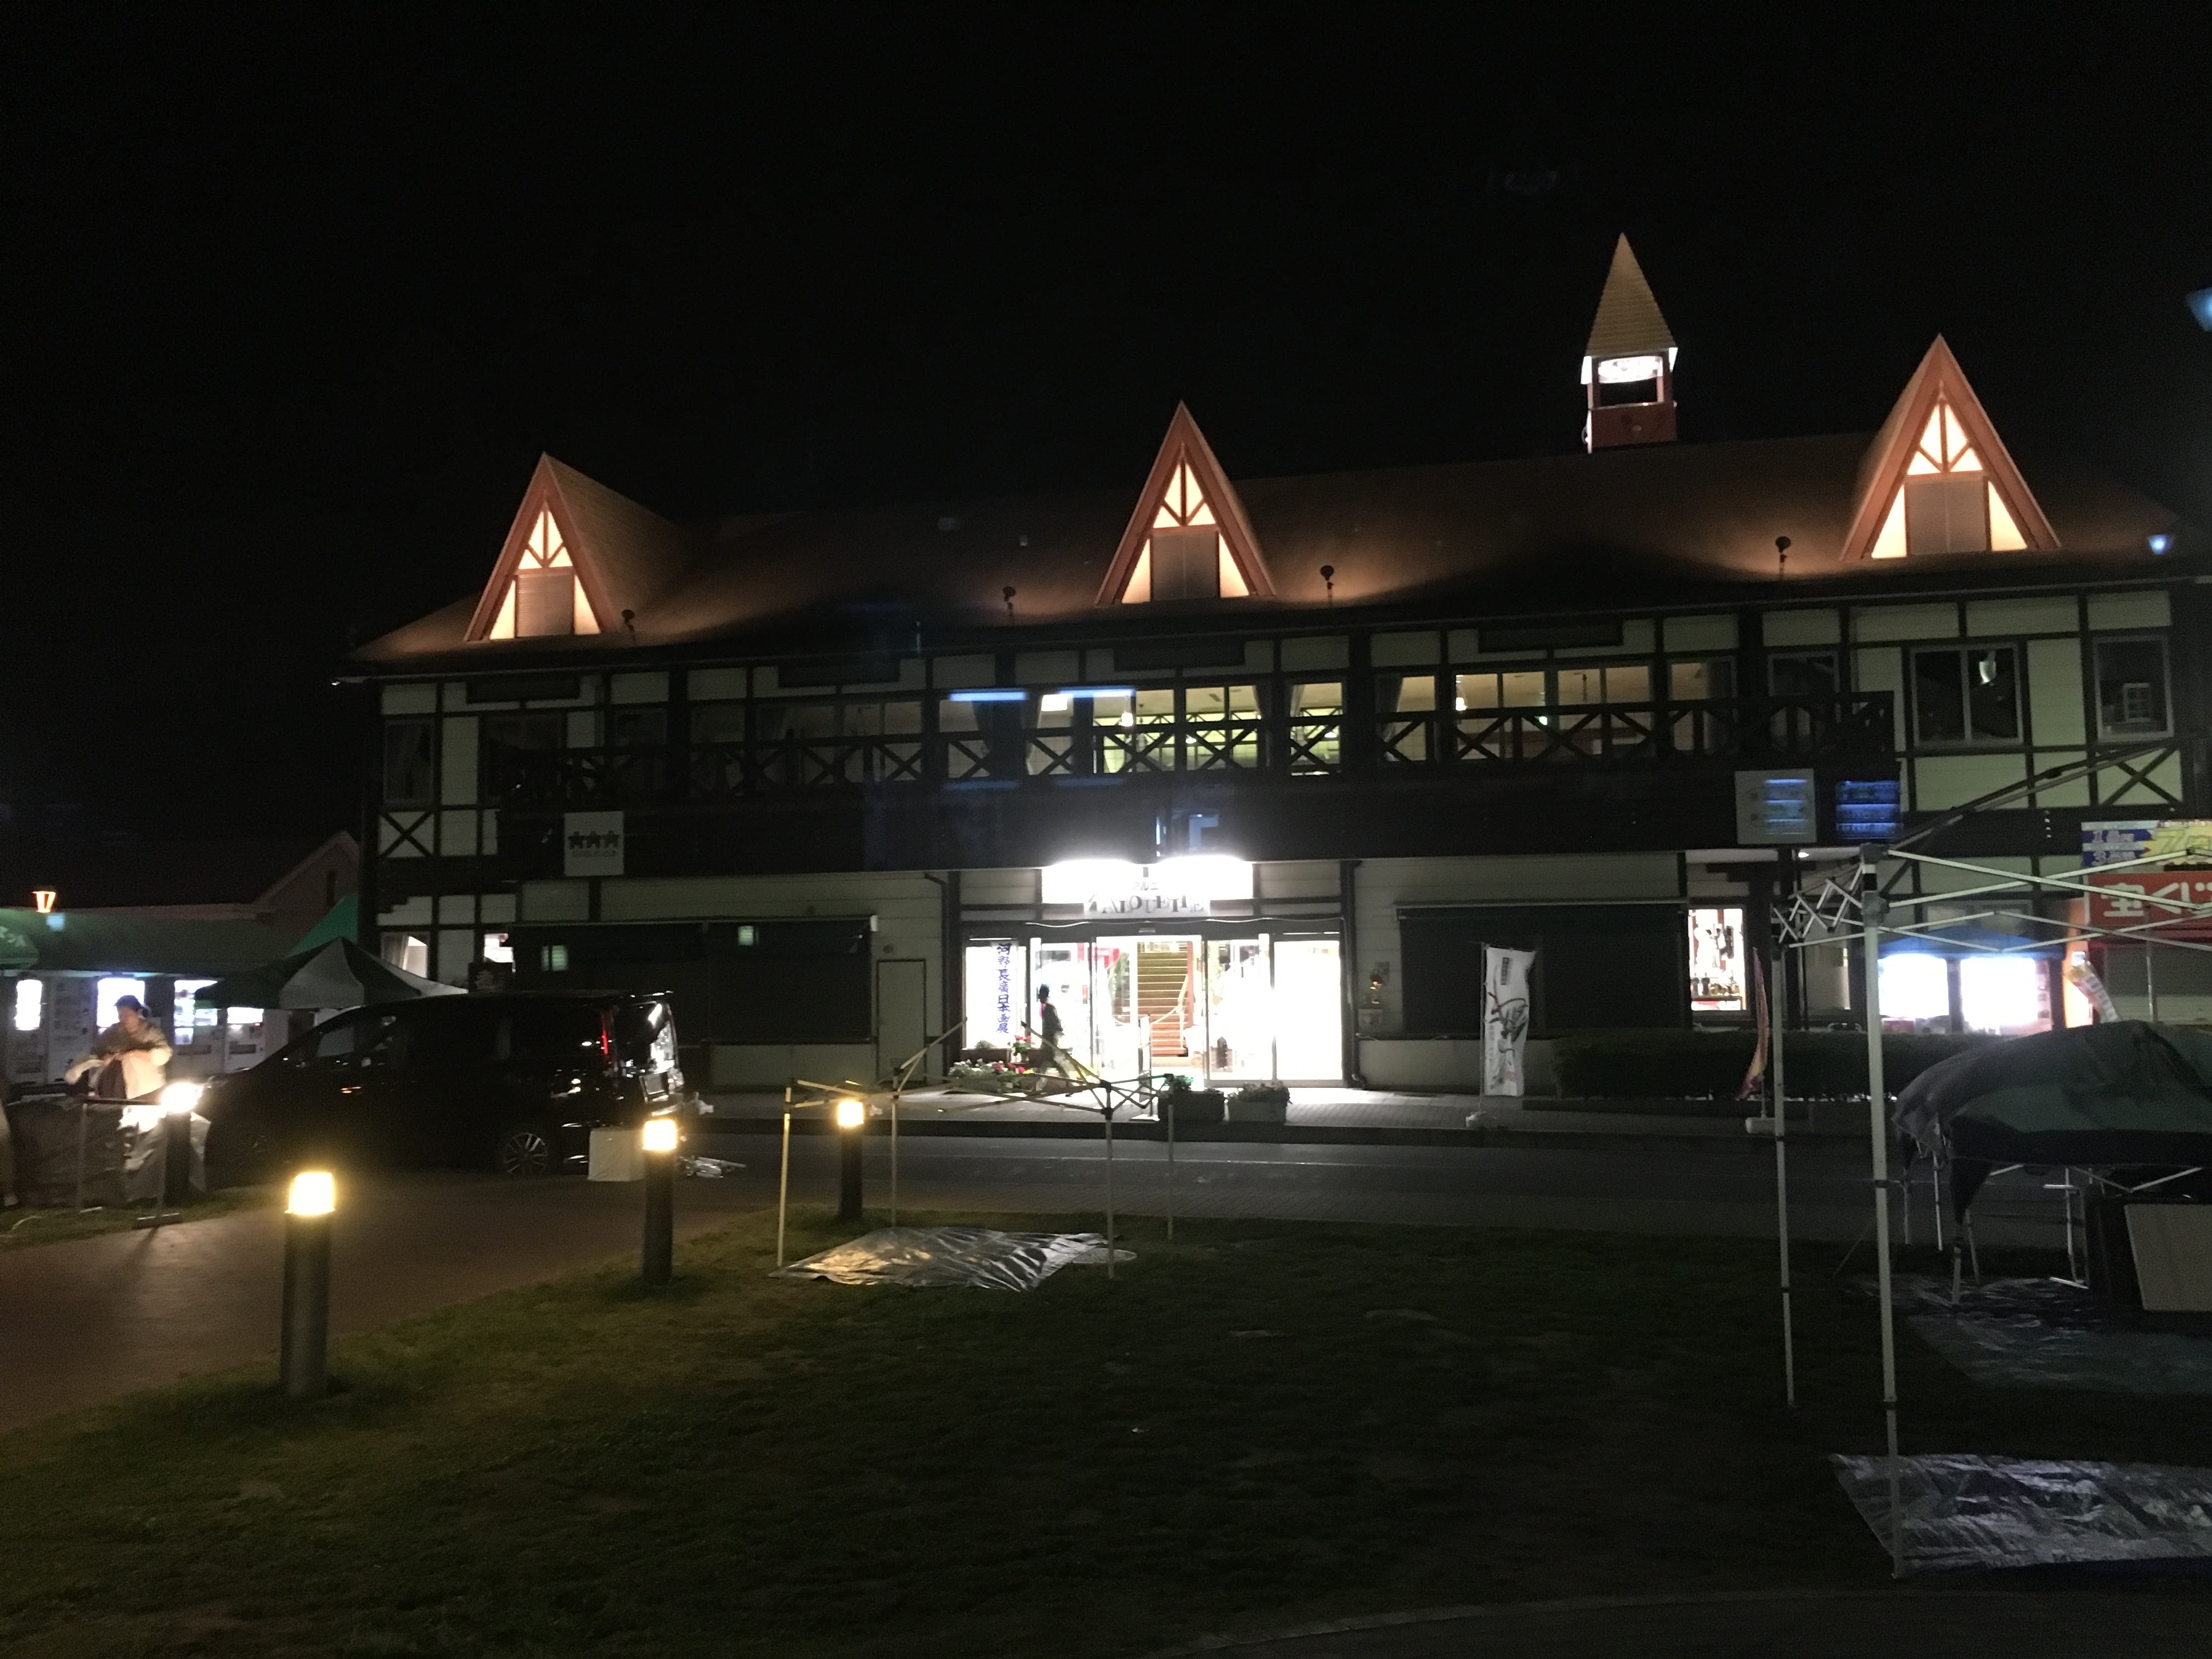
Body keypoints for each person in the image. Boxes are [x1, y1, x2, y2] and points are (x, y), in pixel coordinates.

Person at [64, 995, 173, 1102]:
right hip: (114, 1085)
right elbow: (96, 1049)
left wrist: (133, 1053)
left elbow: (163, 1055)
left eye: (127, 1015)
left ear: (138, 1013)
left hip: (145, 1087)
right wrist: (102, 1058)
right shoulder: (114, 1031)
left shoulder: (151, 1032)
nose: (124, 1019)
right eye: (121, 1015)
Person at [1032, 984, 1065, 1075]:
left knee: (1050, 1059)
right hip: (1047, 1037)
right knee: (1047, 1059)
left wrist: (1056, 1032)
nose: (1040, 998)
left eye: (1041, 996)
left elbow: (1055, 1022)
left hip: (1050, 1038)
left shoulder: (1049, 1008)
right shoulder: (1046, 1007)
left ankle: (1065, 1076)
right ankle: (1040, 1076)